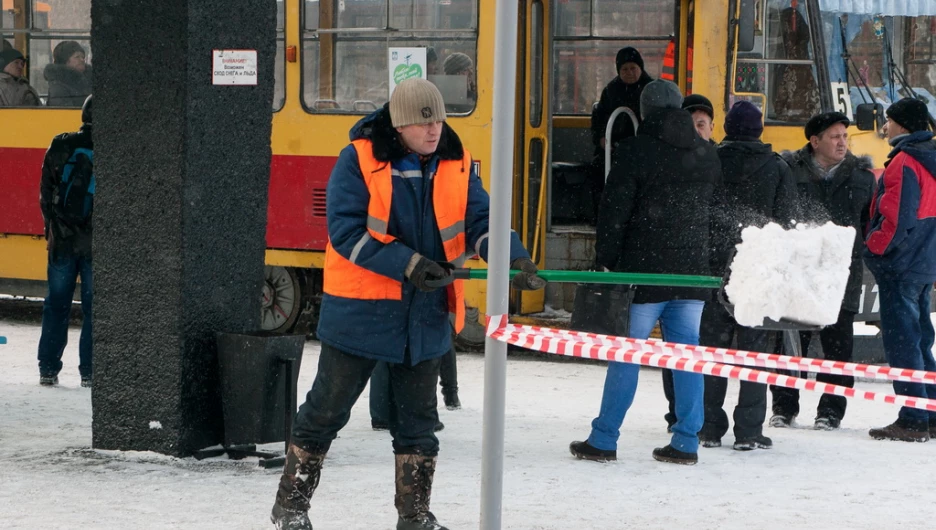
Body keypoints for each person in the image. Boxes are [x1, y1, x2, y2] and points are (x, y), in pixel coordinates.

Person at [270, 78, 545, 530]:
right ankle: (291, 507)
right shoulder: (358, 160)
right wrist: (409, 263)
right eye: (423, 121)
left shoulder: (456, 162)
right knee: (326, 411)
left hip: (425, 315)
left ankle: (415, 517)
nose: (434, 129)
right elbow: (346, 232)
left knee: (419, 424)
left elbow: (480, 218)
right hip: (362, 310)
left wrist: (511, 256)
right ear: (399, 126)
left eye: (438, 119)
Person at [569, 80, 723, 466]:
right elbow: (713, 215)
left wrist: (605, 262)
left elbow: (614, 212)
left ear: (643, 112)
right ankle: (687, 441)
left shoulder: (634, 152)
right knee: (686, 355)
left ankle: (604, 438)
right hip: (691, 275)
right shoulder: (707, 154)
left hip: (643, 273)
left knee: (627, 353)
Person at [697, 101, 799, 450]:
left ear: (727, 128)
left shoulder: (711, 161)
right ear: (759, 129)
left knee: (712, 351)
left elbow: (700, 211)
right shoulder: (777, 167)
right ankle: (749, 430)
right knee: (754, 353)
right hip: (757, 271)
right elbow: (788, 222)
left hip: (714, 270)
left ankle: (708, 427)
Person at [769, 112, 874, 430]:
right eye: (835, 136)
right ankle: (783, 407)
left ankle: (830, 410)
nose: (842, 142)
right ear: (814, 142)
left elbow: (869, 224)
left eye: (845, 136)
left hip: (842, 274)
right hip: (799, 271)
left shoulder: (862, 176)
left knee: (838, 344)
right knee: (789, 342)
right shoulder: (789, 170)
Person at [864, 98, 936, 442]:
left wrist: (872, 248)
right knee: (921, 340)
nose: (885, 127)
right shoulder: (932, 157)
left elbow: (896, 219)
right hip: (925, 264)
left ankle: (912, 418)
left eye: (889, 120)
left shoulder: (905, 161)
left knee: (903, 343)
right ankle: (931, 412)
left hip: (901, 266)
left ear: (902, 125)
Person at [37, 95, 94, 387]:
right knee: (95, 308)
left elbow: (45, 193)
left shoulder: (60, 145)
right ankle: (90, 372)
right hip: (98, 243)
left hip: (62, 240)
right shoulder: (117, 150)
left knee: (56, 304)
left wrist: (50, 227)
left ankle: (48, 368)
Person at [590, 47, 653, 183]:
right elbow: (599, 117)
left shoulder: (651, 89)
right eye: (625, 69)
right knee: (597, 171)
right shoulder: (611, 90)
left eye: (633, 68)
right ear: (618, 71)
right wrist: (601, 138)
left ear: (640, 68)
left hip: (644, 148)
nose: (629, 73)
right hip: (614, 148)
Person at [45, 41, 92, 107]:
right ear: (65, 61)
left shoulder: (89, 80)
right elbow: (65, 114)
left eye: (83, 57)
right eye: (77, 57)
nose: (82, 60)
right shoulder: (58, 87)